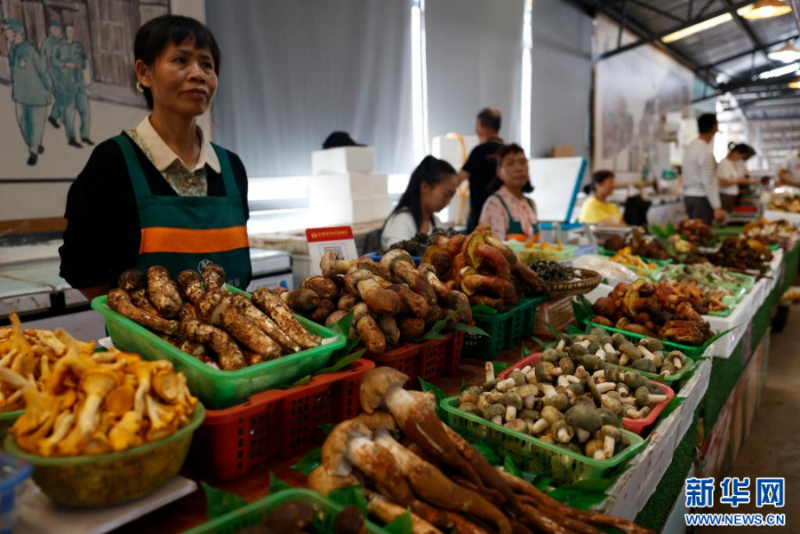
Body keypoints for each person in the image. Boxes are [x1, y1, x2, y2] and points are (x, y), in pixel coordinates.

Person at [59, 15, 251, 299]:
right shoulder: (113, 162)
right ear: (144, 73)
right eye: (181, 60)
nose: (197, 74)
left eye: (206, 64)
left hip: (231, 326)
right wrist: (137, 316)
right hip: (145, 329)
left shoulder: (231, 167)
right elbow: (82, 268)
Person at [2, 19, 52, 166]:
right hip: (20, 95)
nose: (5, 35)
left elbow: (42, 70)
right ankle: (34, 144)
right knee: (23, 123)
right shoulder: (12, 50)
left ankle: (33, 151)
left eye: (7, 32)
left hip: (36, 95)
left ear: (17, 33)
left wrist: (49, 87)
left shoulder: (30, 51)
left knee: (35, 124)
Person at [381, 156, 458, 250]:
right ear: (425, 187)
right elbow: (397, 255)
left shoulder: (436, 222)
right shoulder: (400, 222)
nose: (448, 202)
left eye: (451, 196)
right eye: (446, 194)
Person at [479, 144, 537, 241]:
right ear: (499, 172)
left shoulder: (531, 204)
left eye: (522, 162)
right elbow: (494, 245)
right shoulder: (494, 203)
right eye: (510, 163)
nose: (519, 168)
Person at [458, 107, 504, 233]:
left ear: (480, 125)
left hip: (479, 221)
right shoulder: (507, 152)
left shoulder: (479, 152)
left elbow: (458, 179)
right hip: (504, 219)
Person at [54, 24, 92, 147]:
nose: (70, 32)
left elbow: (84, 61)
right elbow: (54, 61)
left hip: (79, 83)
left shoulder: (78, 46)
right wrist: (65, 65)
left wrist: (81, 65)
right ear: (65, 32)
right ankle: (71, 137)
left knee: (85, 111)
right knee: (69, 113)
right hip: (67, 84)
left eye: (72, 31)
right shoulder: (59, 47)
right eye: (68, 30)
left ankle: (85, 136)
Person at [682, 113, 724, 225]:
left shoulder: (691, 147)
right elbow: (708, 181)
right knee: (702, 232)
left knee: (692, 230)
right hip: (701, 199)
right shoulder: (705, 151)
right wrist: (717, 207)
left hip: (689, 197)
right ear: (714, 127)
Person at [717, 143, 756, 211]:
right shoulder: (724, 163)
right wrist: (739, 181)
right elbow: (723, 182)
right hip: (725, 195)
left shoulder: (732, 163)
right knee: (726, 214)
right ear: (736, 152)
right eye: (741, 156)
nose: (741, 158)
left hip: (731, 195)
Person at [40, 21, 64, 129]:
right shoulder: (46, 42)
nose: (54, 31)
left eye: (56, 29)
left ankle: (56, 116)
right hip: (51, 73)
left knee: (64, 97)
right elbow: (42, 58)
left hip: (62, 73)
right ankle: (56, 117)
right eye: (52, 29)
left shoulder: (62, 42)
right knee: (60, 96)